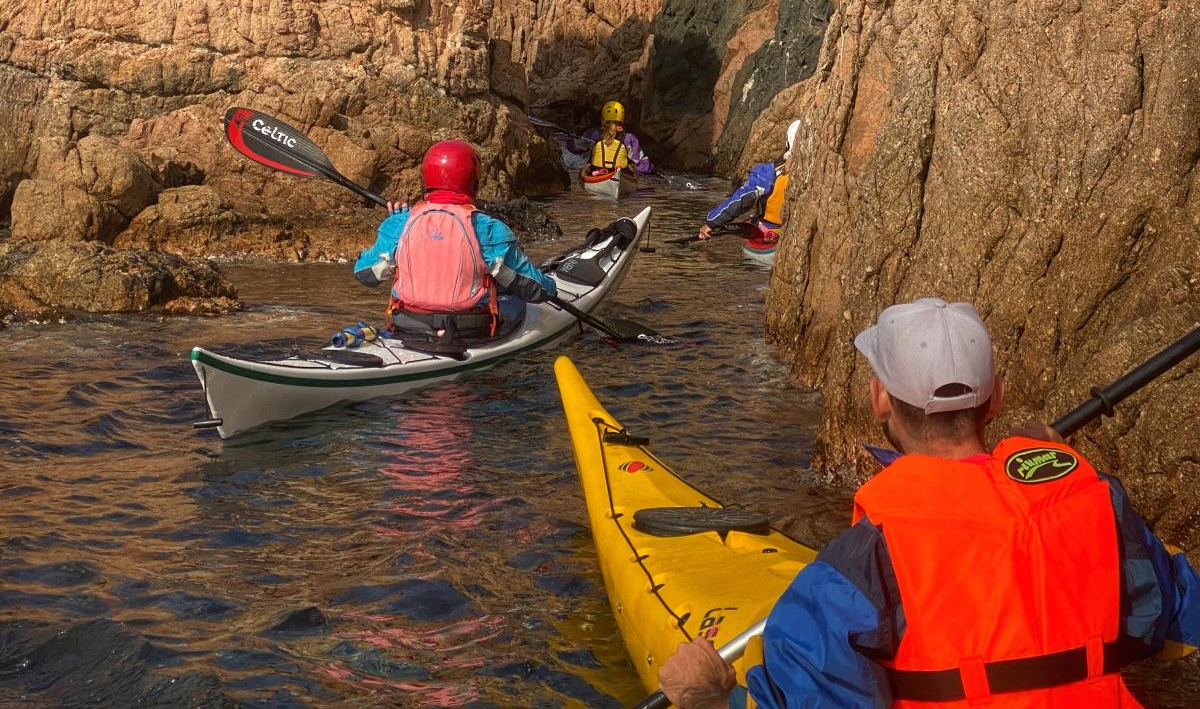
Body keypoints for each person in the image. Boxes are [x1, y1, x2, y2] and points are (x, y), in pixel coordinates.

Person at [658, 296, 1200, 709]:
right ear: (997, 397)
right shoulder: (1097, 503)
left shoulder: (862, 561)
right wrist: (1053, 485)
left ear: (879, 400)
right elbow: (1176, 619)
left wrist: (715, 699)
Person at [353, 139, 558, 342]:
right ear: (474, 184)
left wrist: (391, 229)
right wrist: (551, 287)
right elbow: (535, 290)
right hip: (469, 331)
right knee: (510, 295)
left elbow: (365, 275)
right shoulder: (488, 229)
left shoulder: (398, 224)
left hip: (408, 325)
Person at [697, 118, 800, 241]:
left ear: (788, 143)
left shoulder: (768, 173)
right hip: (794, 233)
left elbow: (743, 199)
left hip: (769, 232)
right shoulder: (812, 173)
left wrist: (711, 222)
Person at [578, 100, 653, 175]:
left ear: (602, 118)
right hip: (620, 173)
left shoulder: (593, 134)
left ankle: (598, 171)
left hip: (595, 172)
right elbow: (642, 163)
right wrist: (651, 167)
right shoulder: (629, 138)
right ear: (622, 120)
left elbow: (575, 147)